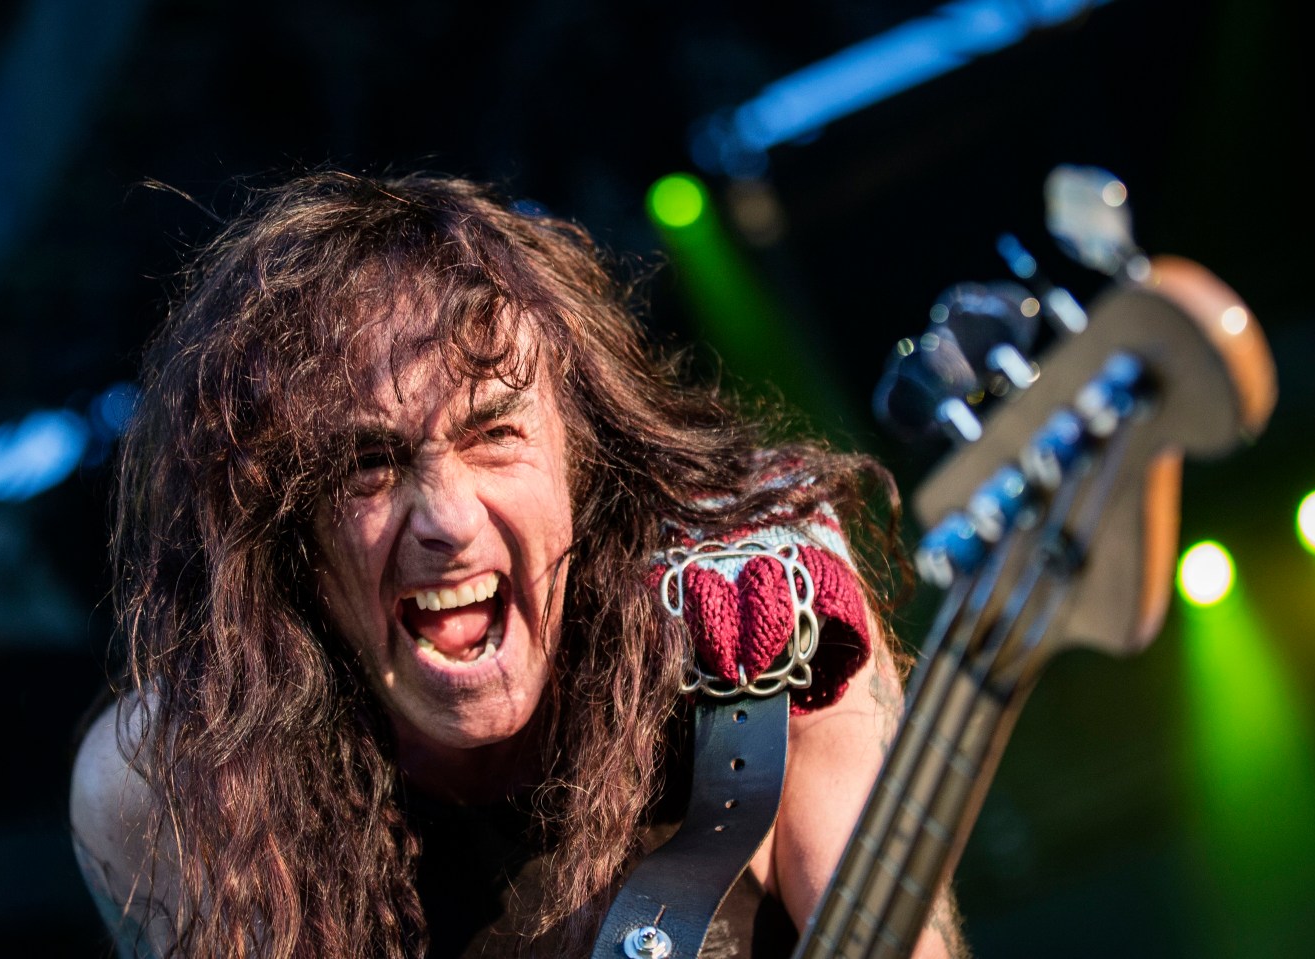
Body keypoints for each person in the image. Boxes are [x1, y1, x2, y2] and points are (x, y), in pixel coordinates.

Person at [68, 170, 968, 958]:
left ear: (584, 455)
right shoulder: (176, 782)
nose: (450, 522)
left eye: (494, 433)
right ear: (284, 533)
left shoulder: (762, 619)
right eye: (367, 466)